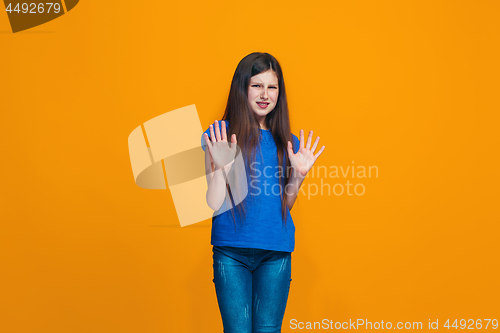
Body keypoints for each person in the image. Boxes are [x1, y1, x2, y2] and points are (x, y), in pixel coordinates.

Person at [201, 52, 325, 333]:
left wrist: (299, 176)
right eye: (257, 85)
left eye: (272, 87)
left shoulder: (287, 142)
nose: (265, 94)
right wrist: (221, 168)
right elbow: (213, 202)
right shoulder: (219, 134)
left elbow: (285, 204)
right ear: (242, 87)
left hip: (275, 253)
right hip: (230, 252)